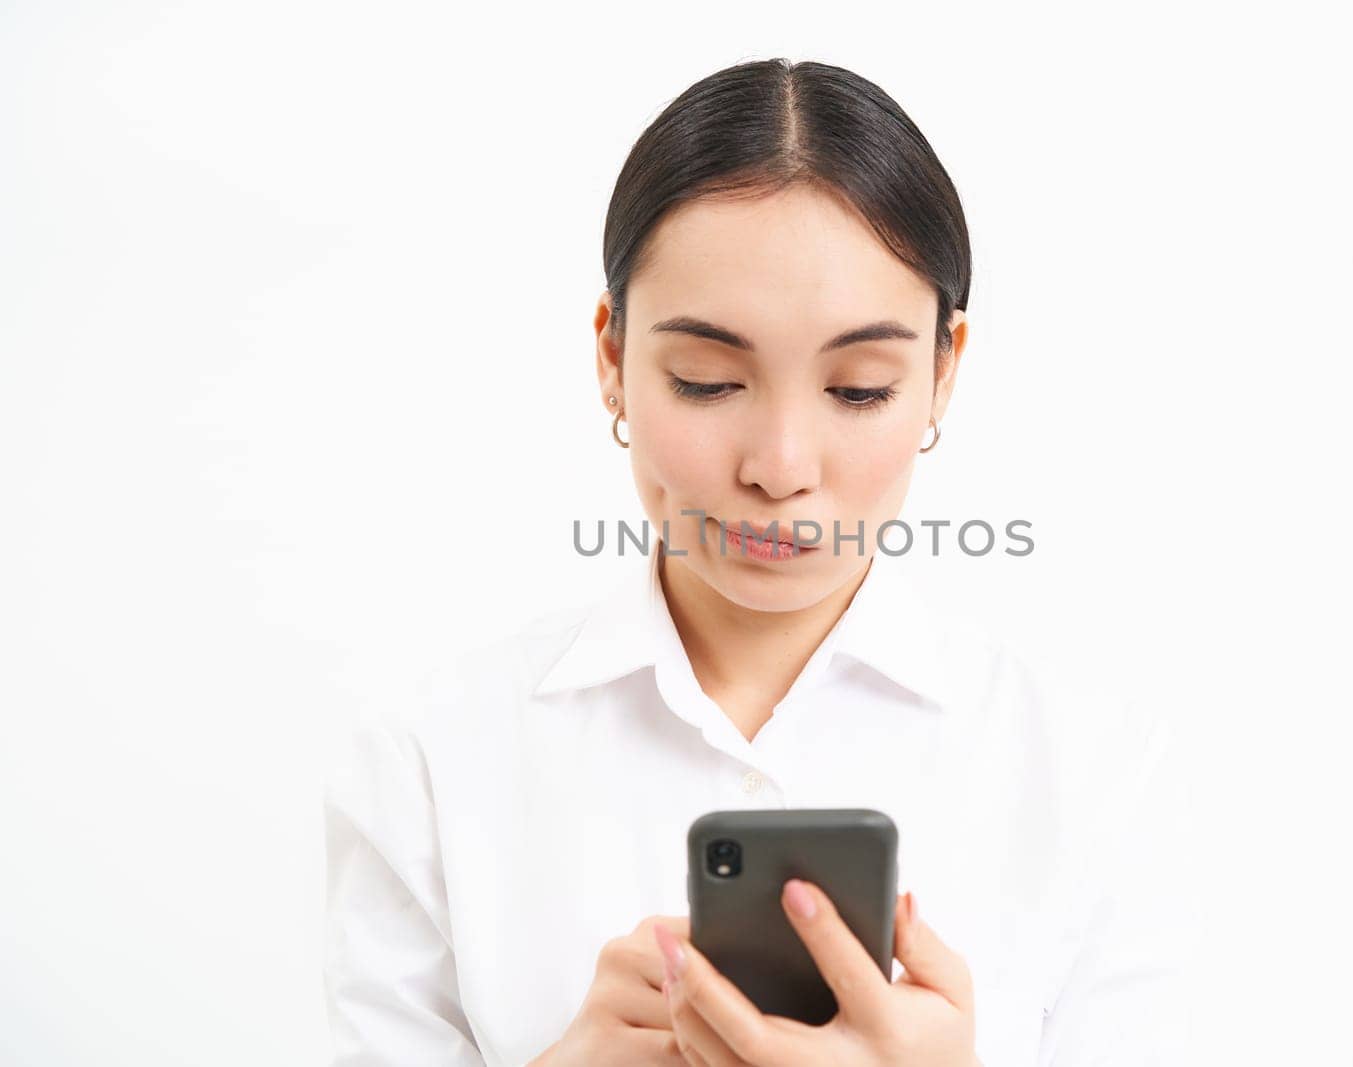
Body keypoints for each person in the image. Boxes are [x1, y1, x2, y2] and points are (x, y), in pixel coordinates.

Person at [323, 57, 1187, 1066]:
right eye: (706, 380)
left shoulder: (1087, 775)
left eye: (859, 388)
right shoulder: (429, 764)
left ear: (943, 371)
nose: (780, 468)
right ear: (611, 357)